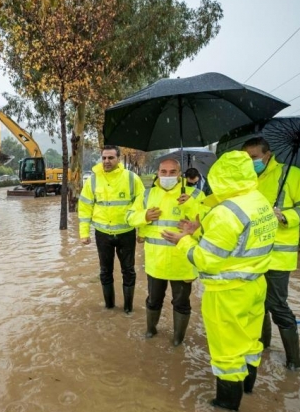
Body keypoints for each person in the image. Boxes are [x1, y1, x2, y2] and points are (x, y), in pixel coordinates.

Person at [162, 151, 278, 410]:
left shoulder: (225, 213)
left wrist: (184, 241)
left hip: (227, 293)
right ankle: (248, 390)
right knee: (250, 343)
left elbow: (206, 260)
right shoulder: (259, 200)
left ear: (220, 177)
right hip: (255, 285)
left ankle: (226, 403)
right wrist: (198, 231)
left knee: (227, 353)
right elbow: (239, 244)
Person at [242, 137, 300, 370]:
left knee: (277, 305)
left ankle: (293, 362)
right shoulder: (247, 179)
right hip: (250, 255)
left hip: (278, 257)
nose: (250, 162)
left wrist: (286, 216)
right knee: (257, 304)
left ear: (268, 155)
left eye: (254, 158)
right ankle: (263, 348)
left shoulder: (292, 175)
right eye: (246, 158)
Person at [126, 158, 205, 345]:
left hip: (182, 261)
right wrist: (144, 216)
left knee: (181, 303)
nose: (167, 176)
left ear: (180, 174)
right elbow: (129, 216)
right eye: (163, 172)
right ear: (157, 173)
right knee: (153, 300)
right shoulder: (147, 195)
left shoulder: (195, 195)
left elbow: (206, 227)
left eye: (172, 172)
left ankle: (178, 339)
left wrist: (191, 205)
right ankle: (150, 330)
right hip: (156, 261)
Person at [78, 145, 145, 313]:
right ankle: (109, 306)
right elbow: (85, 207)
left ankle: (128, 308)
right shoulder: (92, 180)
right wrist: (84, 233)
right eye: (104, 158)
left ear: (118, 159)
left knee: (128, 271)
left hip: (126, 234)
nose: (106, 161)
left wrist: (141, 232)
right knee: (105, 271)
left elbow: (141, 206)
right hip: (103, 235)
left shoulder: (131, 178)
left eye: (111, 158)